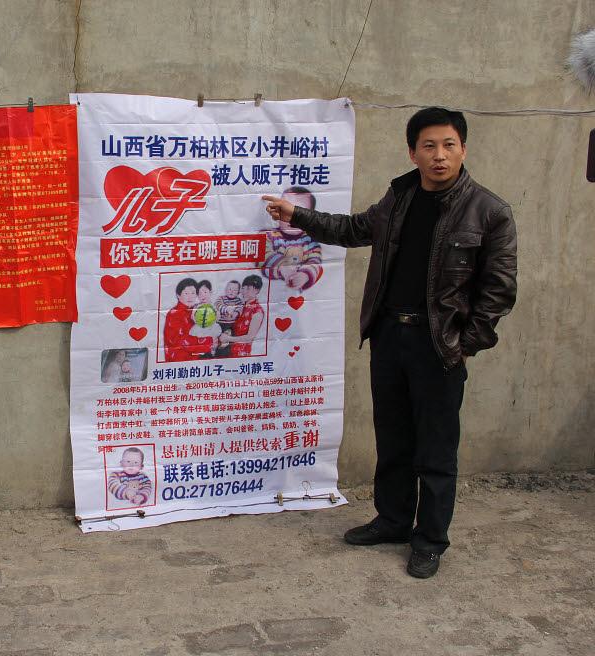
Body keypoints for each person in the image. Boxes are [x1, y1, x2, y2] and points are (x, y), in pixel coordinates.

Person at [262, 107, 517, 579]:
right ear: (412, 152)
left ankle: (430, 540)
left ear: (463, 149)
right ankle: (394, 520)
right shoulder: (399, 197)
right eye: (429, 146)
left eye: (449, 145)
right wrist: (298, 214)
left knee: (435, 450)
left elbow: (499, 290)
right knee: (394, 438)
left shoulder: (489, 211)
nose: (439, 155)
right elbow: (353, 229)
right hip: (389, 336)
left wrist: (464, 345)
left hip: (439, 345)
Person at [262, 186, 323, 292]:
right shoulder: (269, 236)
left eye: (300, 214)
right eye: (286, 211)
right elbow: (264, 255)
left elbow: (315, 260)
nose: (291, 218)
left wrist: (305, 275)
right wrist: (282, 267)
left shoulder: (310, 240)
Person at [163, 277, 215, 362]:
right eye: (186, 293)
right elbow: (182, 341)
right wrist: (209, 341)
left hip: (196, 358)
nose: (190, 297)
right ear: (178, 295)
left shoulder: (195, 310)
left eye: (193, 293)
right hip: (180, 361)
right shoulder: (174, 314)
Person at [219, 275, 265, 357]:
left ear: (257, 290)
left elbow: (250, 337)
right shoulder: (240, 306)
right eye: (243, 288)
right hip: (227, 350)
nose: (244, 292)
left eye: (248, 289)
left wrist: (228, 338)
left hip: (240, 354)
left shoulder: (257, 311)